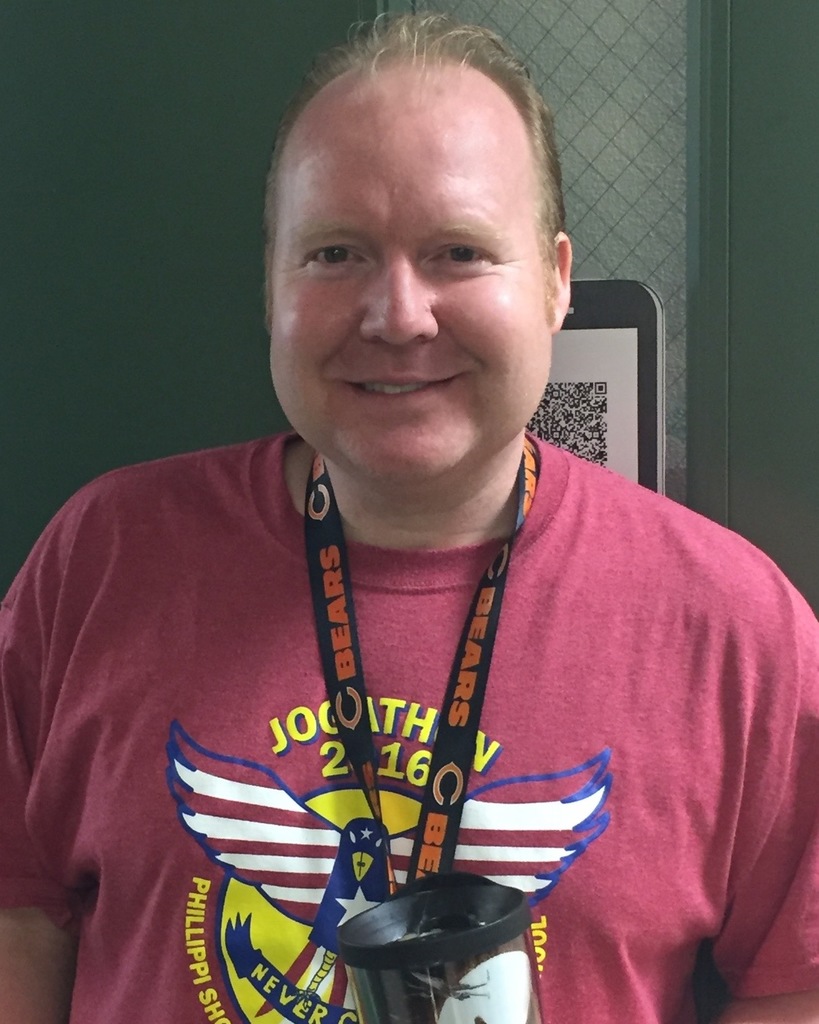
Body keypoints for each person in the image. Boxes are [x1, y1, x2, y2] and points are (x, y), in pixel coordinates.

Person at [1, 12, 817, 1024]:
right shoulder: (101, 562)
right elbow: (18, 918)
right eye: (335, 253)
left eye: (458, 252)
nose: (397, 314)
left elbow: (796, 983)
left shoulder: (734, 627)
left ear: (556, 280)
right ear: (270, 284)